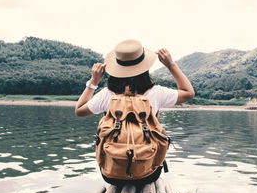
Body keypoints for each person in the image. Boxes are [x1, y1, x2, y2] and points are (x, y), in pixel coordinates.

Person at [75, 39, 194, 185]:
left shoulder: (107, 94)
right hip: (148, 174)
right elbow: (189, 93)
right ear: (144, 67)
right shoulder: (156, 93)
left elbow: (79, 110)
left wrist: (93, 81)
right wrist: (170, 64)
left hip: (111, 175)